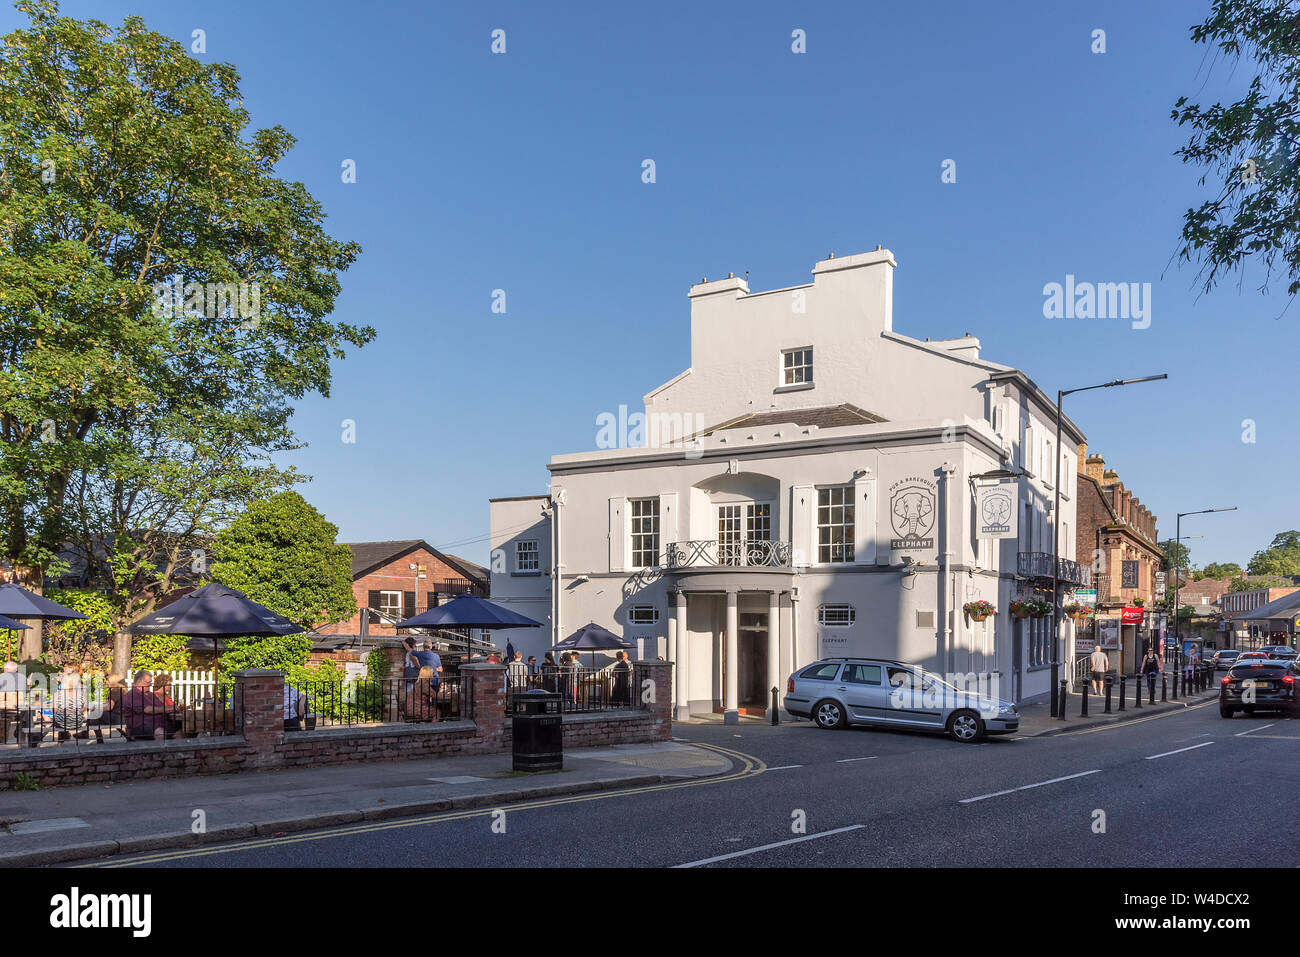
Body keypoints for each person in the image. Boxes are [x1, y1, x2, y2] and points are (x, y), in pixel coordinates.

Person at [121, 670, 166, 739]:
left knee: (181, 731)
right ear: (139, 682)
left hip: (158, 723)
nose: (150, 685)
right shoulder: (132, 695)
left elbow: (161, 707)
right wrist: (168, 708)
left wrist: (171, 708)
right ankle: (158, 750)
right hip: (140, 726)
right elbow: (147, 709)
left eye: (151, 682)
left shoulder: (150, 694)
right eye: (148, 682)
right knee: (160, 732)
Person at [52, 667, 88, 742]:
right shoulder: (81, 694)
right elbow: (84, 708)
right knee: (63, 718)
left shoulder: (57, 694)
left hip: (62, 723)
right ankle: (65, 736)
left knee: (60, 718)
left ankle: (63, 739)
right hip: (77, 723)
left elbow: (55, 710)